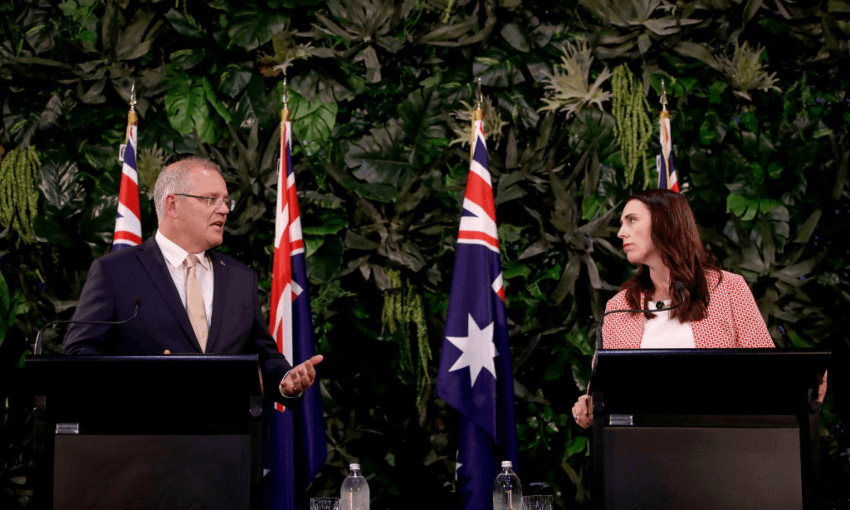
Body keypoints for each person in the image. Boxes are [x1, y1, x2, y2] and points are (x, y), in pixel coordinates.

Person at [64, 157, 320, 401]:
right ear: (173, 204)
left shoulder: (241, 278)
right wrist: (141, 375)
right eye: (211, 200)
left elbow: (265, 356)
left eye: (225, 202)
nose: (223, 210)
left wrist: (286, 380)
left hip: (229, 439)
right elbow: (78, 357)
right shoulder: (115, 272)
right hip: (144, 437)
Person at [571, 189, 825, 429]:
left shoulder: (728, 289)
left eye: (632, 220)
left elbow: (769, 374)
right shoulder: (620, 307)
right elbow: (604, 391)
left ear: (665, 223)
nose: (621, 232)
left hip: (722, 444)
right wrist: (588, 405)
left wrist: (804, 384)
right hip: (642, 452)